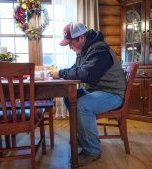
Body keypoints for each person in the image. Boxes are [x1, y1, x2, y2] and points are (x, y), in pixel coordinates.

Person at [49, 22, 126, 166]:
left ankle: (93, 150)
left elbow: (87, 74)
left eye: (71, 43)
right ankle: (84, 138)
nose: (70, 47)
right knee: (70, 97)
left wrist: (60, 73)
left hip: (112, 93)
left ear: (82, 38)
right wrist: (62, 73)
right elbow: (75, 69)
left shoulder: (99, 50)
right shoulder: (83, 51)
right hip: (97, 91)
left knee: (82, 105)